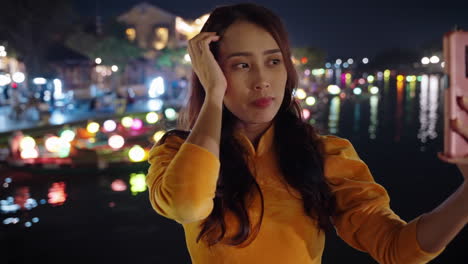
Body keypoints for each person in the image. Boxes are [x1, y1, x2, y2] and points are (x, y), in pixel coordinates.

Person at [145, 3, 468, 264]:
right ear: (210, 71)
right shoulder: (176, 152)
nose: (262, 80)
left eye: (273, 61)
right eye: (241, 65)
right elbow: (187, 205)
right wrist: (213, 94)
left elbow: (397, 248)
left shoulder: (325, 154)